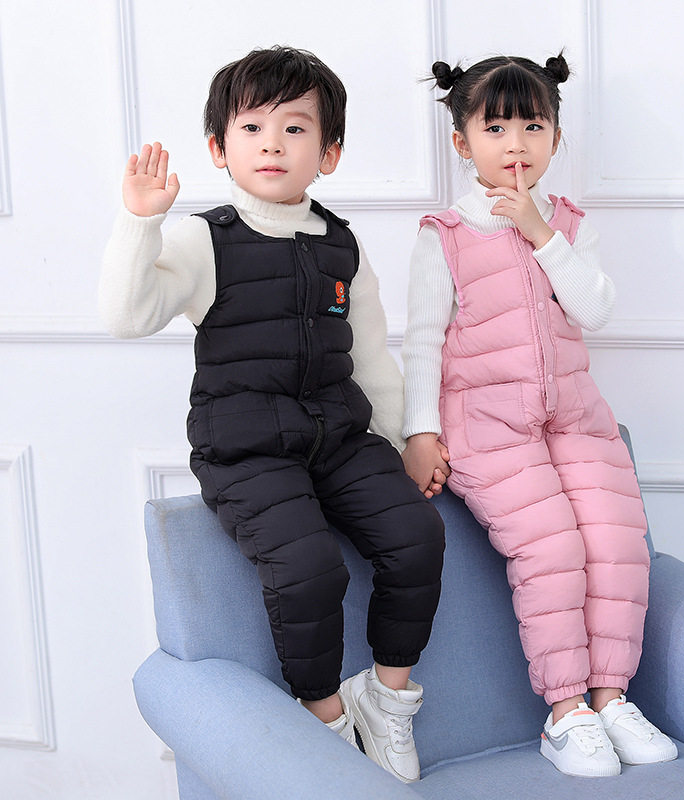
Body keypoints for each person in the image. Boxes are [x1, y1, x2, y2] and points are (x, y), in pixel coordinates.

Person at [99, 46, 445, 784]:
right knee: (309, 569)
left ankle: (387, 698)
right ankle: (325, 718)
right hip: (246, 446)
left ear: (329, 153)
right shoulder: (204, 238)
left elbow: (372, 356)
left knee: (417, 536)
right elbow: (128, 317)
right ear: (219, 148)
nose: (272, 145)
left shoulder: (340, 244)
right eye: (252, 128)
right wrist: (140, 224)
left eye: (295, 128)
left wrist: (406, 439)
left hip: (340, 436)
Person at [401, 52, 677, 778]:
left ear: (556, 137)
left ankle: (611, 699)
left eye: (533, 125)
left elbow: (595, 309)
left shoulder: (569, 226)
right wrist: (419, 432)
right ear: (462, 142)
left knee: (616, 542)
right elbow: (423, 339)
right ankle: (565, 712)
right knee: (553, 549)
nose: (516, 143)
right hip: (488, 428)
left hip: (578, 421)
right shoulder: (445, 233)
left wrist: (540, 233)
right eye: (495, 128)